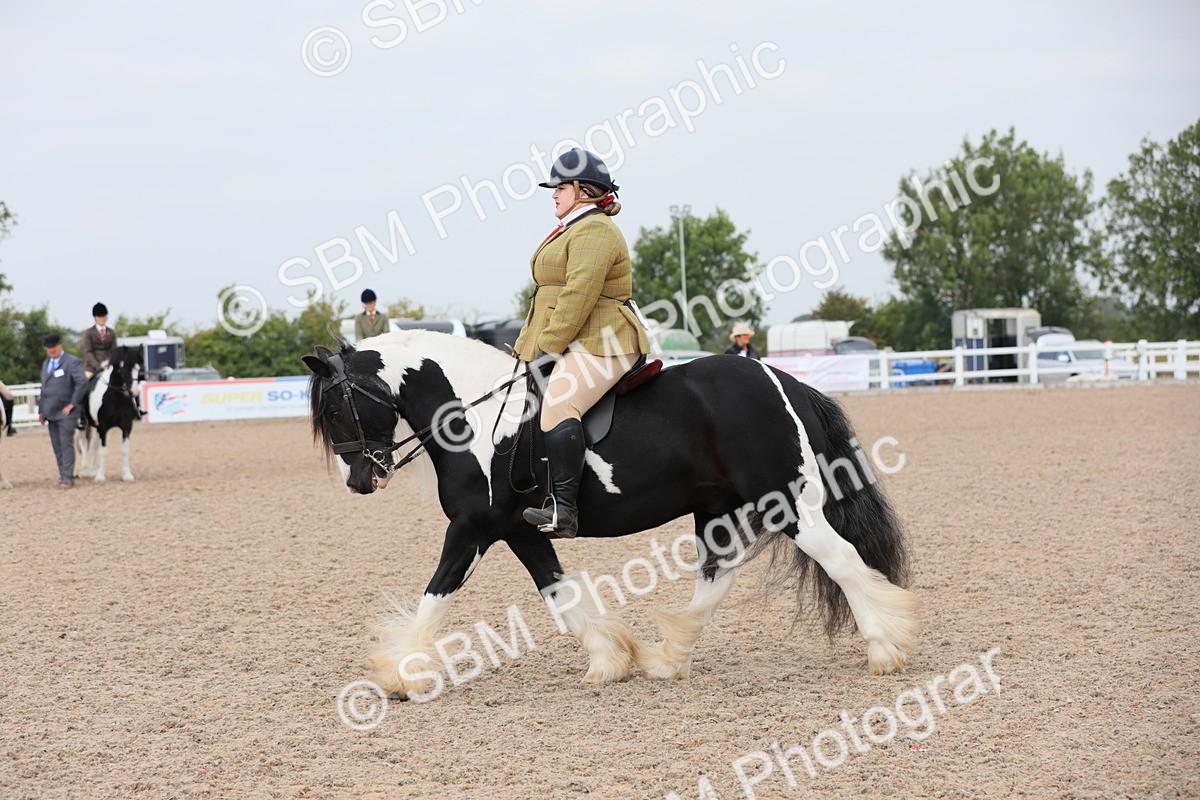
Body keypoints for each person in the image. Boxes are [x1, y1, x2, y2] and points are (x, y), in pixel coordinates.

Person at [514, 148, 650, 539]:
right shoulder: (574, 228)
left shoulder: (596, 231)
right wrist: (527, 346)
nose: (553, 194)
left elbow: (578, 296)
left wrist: (547, 349)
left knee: (559, 405)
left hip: (605, 340)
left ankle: (565, 510)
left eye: (560, 187)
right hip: (581, 338)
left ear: (584, 191)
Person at [38, 333, 88, 488]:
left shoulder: (72, 362)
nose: (51, 350)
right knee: (57, 445)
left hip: (67, 412)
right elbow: (44, 389)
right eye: (49, 347)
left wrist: (72, 404)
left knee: (66, 443)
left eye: (54, 347)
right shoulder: (46, 364)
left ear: (60, 346)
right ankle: (63, 475)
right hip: (51, 412)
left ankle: (68, 478)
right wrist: (42, 410)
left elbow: (82, 383)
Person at [81, 302, 116, 377]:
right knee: (84, 382)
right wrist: (96, 365)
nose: (102, 319)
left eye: (103, 316)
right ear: (95, 318)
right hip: (92, 367)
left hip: (108, 365)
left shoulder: (111, 333)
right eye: (99, 317)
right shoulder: (89, 332)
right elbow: (88, 351)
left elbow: (114, 351)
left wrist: (109, 362)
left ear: (107, 317)